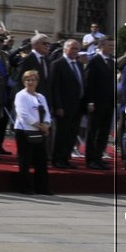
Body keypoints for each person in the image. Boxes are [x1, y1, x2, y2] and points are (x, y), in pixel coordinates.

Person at [47, 38, 87, 170]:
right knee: (61, 134)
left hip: (77, 106)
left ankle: (65, 158)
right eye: (72, 48)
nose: (75, 51)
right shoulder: (58, 64)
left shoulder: (79, 64)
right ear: (65, 49)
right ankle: (57, 158)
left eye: (77, 49)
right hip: (63, 106)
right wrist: (57, 106)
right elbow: (55, 87)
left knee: (72, 134)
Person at [13, 69, 53, 194]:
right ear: (24, 81)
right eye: (28, 80)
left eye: (33, 80)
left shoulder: (41, 97)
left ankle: (42, 187)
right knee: (25, 160)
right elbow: (23, 114)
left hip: (40, 131)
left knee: (41, 160)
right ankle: (25, 187)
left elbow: (47, 113)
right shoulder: (21, 95)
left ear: (37, 82)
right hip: (24, 131)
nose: (31, 82)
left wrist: (46, 125)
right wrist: (38, 125)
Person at [83, 36, 115, 169]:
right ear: (101, 46)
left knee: (104, 132)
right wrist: (89, 101)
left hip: (108, 103)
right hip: (96, 103)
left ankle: (98, 157)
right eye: (110, 45)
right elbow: (88, 82)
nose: (112, 48)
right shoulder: (94, 61)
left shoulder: (111, 62)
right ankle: (91, 159)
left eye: (113, 46)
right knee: (93, 132)